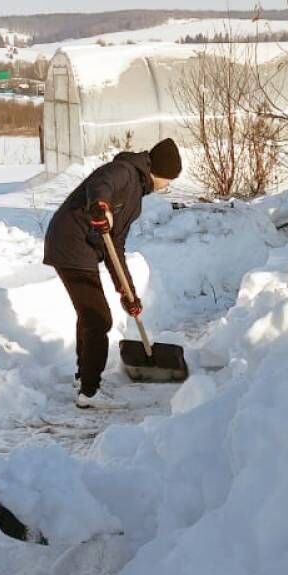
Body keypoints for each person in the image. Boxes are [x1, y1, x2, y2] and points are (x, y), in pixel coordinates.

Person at [42, 138, 181, 409]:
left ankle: (84, 377)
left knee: (89, 316)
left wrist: (127, 293)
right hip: (71, 243)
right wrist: (100, 206)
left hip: (79, 247)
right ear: (161, 173)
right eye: (170, 179)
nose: (169, 186)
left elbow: (115, 247)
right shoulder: (125, 171)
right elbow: (100, 184)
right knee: (98, 319)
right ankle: (90, 392)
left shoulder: (135, 198)